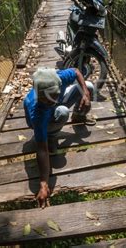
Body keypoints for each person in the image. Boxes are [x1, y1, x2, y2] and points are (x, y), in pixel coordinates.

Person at [23, 67, 96, 208]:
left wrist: (86, 94)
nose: (53, 100)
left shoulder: (59, 79)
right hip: (42, 119)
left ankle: (78, 115)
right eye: (48, 98)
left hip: (54, 106)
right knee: (62, 112)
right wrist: (44, 183)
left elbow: (76, 71)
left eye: (55, 95)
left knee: (89, 86)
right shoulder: (37, 111)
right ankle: (51, 135)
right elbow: (42, 150)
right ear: (40, 96)